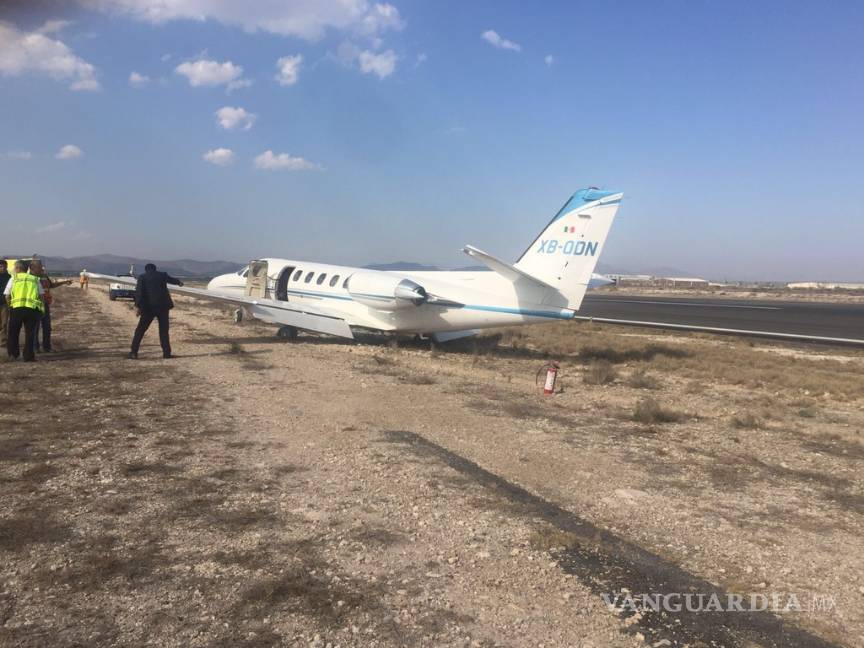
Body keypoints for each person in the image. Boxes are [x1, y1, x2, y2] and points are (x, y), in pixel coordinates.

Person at [129, 263, 183, 359]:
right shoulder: (162, 275)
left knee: (140, 330)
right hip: (163, 307)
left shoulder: (142, 277)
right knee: (163, 331)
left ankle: (134, 352)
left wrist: (137, 306)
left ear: (146, 270)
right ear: (155, 269)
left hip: (148, 308)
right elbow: (172, 280)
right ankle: (166, 354)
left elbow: (139, 293)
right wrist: (179, 282)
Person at [29, 260, 72, 353]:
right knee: (35, 328)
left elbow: (51, 285)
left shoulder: (44, 276)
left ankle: (47, 347)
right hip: (34, 305)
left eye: (41, 266)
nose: (41, 268)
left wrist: (64, 282)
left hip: (45, 304)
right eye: (39, 266)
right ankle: (35, 348)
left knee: (47, 327)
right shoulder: (29, 277)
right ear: (32, 268)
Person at [4, 261, 44, 362]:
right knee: (30, 333)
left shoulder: (14, 278)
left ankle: (13, 354)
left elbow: (7, 295)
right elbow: (41, 296)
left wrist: (10, 306)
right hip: (32, 310)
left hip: (16, 309)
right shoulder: (35, 279)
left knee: (13, 332)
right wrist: (40, 308)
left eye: (14, 267)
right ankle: (29, 356)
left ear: (18, 268)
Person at [0, 260, 10, 349]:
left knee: (4, 323)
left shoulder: (9, 277)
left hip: (4, 304)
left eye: (3, 266)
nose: (1, 268)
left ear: (6, 267)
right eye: (0, 267)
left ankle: (3, 342)